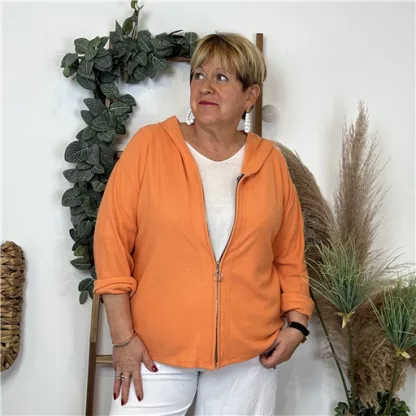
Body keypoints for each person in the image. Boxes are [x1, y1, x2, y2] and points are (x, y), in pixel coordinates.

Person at [94, 32, 314, 416]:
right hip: (153, 350)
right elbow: (111, 243)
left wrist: (297, 324)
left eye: (222, 78)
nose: (206, 87)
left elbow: (289, 254)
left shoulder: (270, 162)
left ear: (250, 96)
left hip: (249, 356)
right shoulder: (149, 147)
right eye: (198, 75)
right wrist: (123, 338)